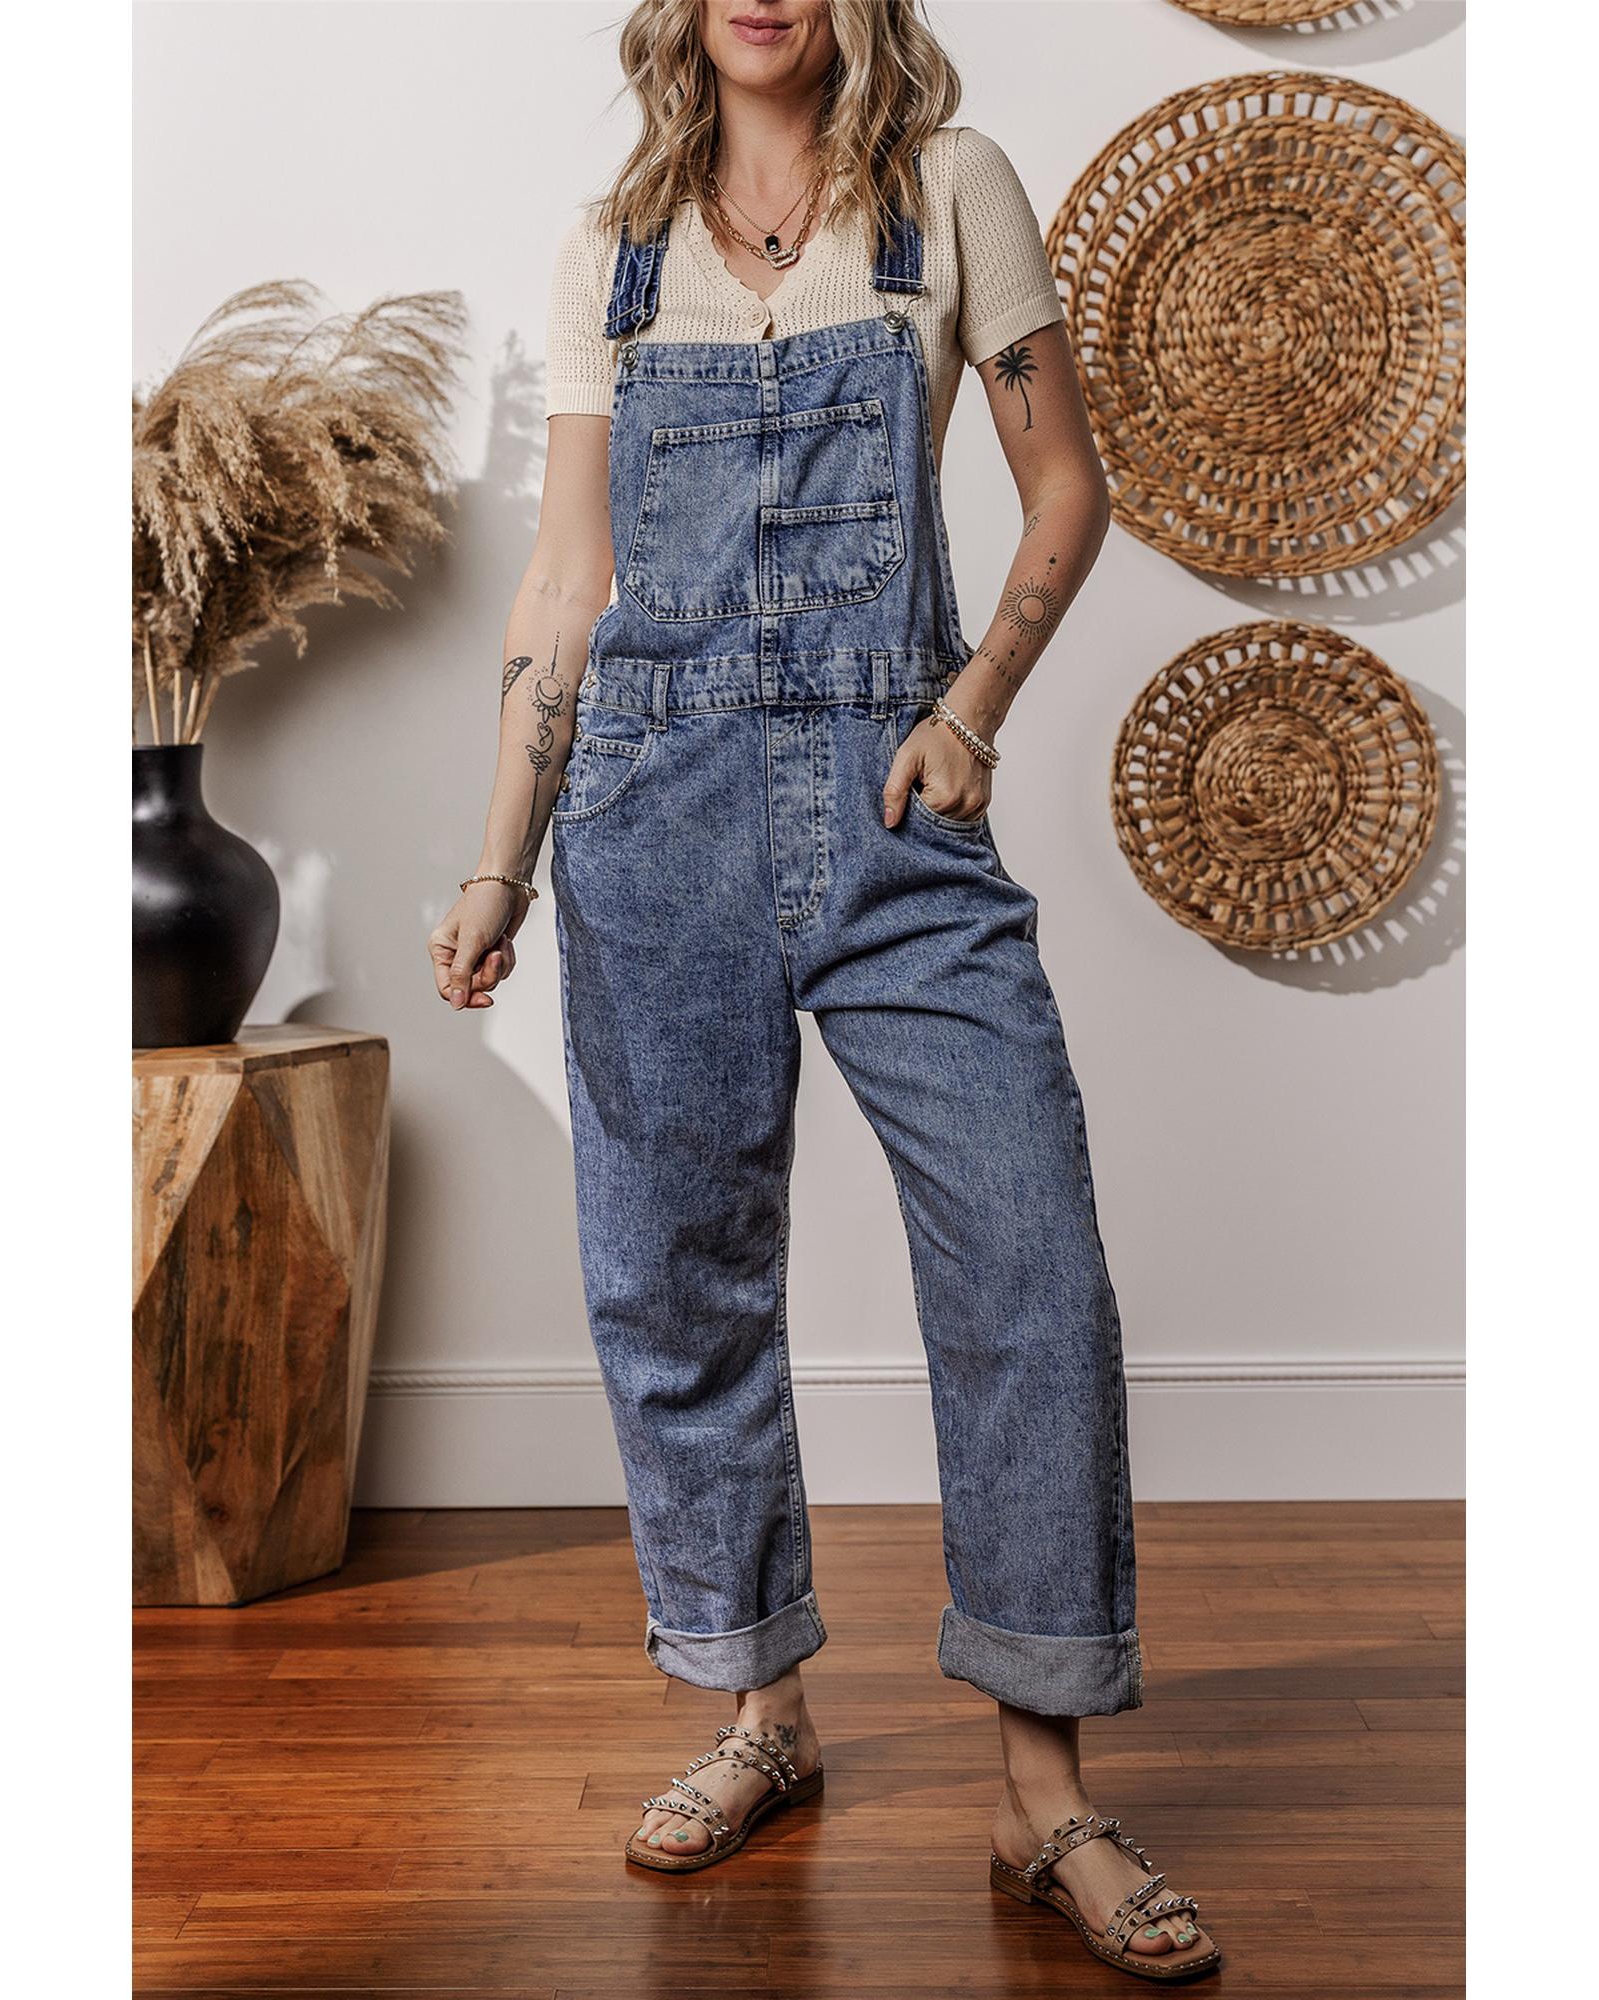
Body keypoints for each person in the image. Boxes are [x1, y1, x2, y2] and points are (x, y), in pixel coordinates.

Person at [427, 1, 1217, 1979]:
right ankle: (754, 1710)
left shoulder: (948, 194)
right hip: (651, 809)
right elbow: (568, 584)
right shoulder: (613, 249)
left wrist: (973, 709)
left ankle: (1042, 1791)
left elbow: (1065, 489)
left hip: (891, 798)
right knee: (673, 1276)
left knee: (1028, 1265)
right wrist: (500, 854)